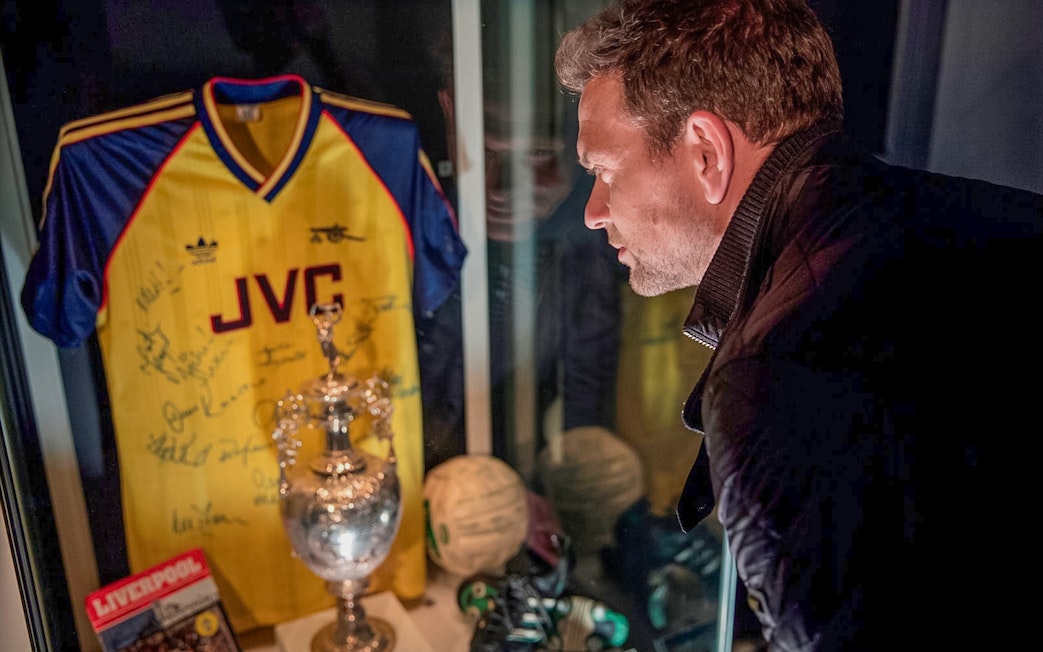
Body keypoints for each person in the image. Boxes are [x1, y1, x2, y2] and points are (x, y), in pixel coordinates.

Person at [555, 1, 1043, 650]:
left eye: (603, 171)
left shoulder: (775, 375)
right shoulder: (954, 211)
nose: (592, 212)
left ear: (705, 152)